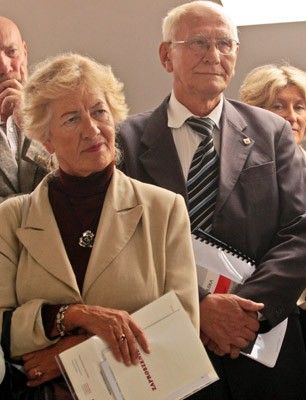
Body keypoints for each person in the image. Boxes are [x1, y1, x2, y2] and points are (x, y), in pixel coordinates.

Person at [118, 2, 306, 399]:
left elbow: (302, 233)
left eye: (225, 44)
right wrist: (200, 310)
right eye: (198, 42)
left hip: (262, 346)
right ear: (166, 56)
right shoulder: (126, 140)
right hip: (173, 349)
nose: (213, 55)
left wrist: (241, 315)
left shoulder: (273, 132)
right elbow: (124, 249)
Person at [0, 53, 199, 399]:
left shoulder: (164, 209)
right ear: (46, 139)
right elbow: (3, 328)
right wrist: (74, 315)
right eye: (71, 119)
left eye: (99, 112)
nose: (92, 129)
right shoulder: (11, 217)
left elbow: (182, 335)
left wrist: (70, 354)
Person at [239, 63, 306, 400]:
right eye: (278, 105)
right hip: (264, 312)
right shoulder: (236, 177)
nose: (291, 116)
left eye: (299, 106)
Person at [0, 16, 50, 202]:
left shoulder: (58, 110)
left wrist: (32, 121)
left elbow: (76, 182)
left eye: (11, 52)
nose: (4, 67)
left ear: (25, 52)